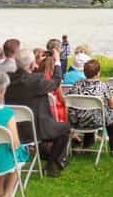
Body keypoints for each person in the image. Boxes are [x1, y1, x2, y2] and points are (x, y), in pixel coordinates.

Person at [6, 49, 70, 177]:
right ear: (31, 65)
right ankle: (51, 164)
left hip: (12, 130)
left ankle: (54, 158)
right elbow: (56, 82)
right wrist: (57, 61)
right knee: (65, 128)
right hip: (35, 129)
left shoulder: (7, 79)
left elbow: (25, 78)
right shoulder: (36, 80)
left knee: (57, 127)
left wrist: (34, 64)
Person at [0, 71, 29, 197]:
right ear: (2, 91)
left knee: (2, 148)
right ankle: (7, 194)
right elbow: (15, 143)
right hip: (1, 163)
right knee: (17, 151)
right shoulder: (7, 113)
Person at [68, 59, 113, 158]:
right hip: (97, 120)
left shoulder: (76, 85)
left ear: (84, 72)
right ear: (98, 73)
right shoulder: (103, 86)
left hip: (78, 121)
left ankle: (87, 145)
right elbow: (112, 105)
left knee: (90, 112)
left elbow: (69, 101)